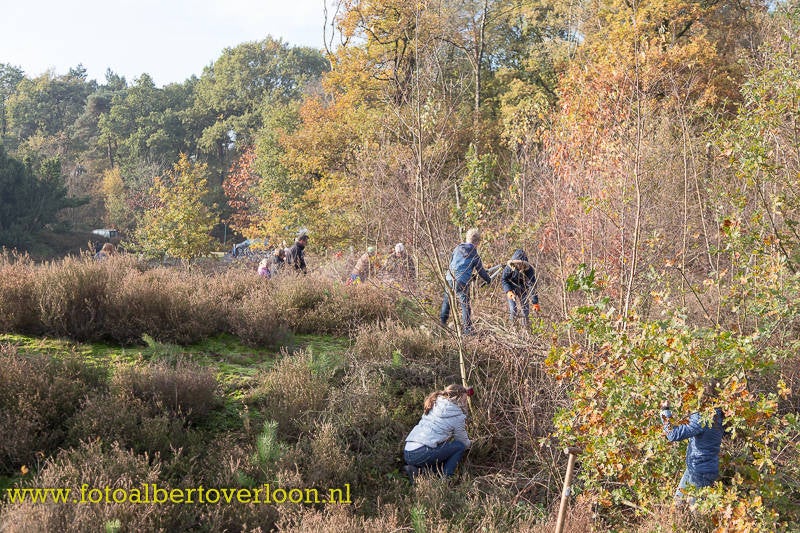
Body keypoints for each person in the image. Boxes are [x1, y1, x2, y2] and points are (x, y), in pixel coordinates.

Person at [661, 388, 724, 504]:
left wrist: (665, 411)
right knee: (678, 505)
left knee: (694, 511)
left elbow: (673, 435)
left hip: (700, 472)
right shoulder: (719, 414)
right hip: (696, 468)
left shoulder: (702, 417)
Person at [403, 384, 473, 480]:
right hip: (422, 452)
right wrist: (472, 445)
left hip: (408, 452)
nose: (465, 403)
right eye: (464, 400)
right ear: (458, 399)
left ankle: (418, 471)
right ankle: (445, 479)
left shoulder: (435, 402)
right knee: (458, 446)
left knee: (444, 449)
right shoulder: (457, 415)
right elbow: (463, 442)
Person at [440, 228, 491, 335]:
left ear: (467, 238)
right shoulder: (474, 253)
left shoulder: (457, 248)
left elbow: (453, 263)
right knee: (465, 305)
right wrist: (488, 279)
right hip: (461, 281)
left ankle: (442, 324)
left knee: (447, 301)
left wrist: (469, 275)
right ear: (477, 242)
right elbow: (481, 270)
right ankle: (467, 329)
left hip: (449, 277)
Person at [501, 249, 540, 326]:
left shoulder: (529, 270)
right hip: (511, 288)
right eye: (517, 263)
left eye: (520, 264)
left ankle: (525, 328)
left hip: (523, 288)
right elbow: (504, 280)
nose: (519, 265)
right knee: (513, 309)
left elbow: (532, 286)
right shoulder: (509, 268)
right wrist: (509, 291)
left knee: (525, 311)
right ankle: (512, 327)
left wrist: (535, 302)